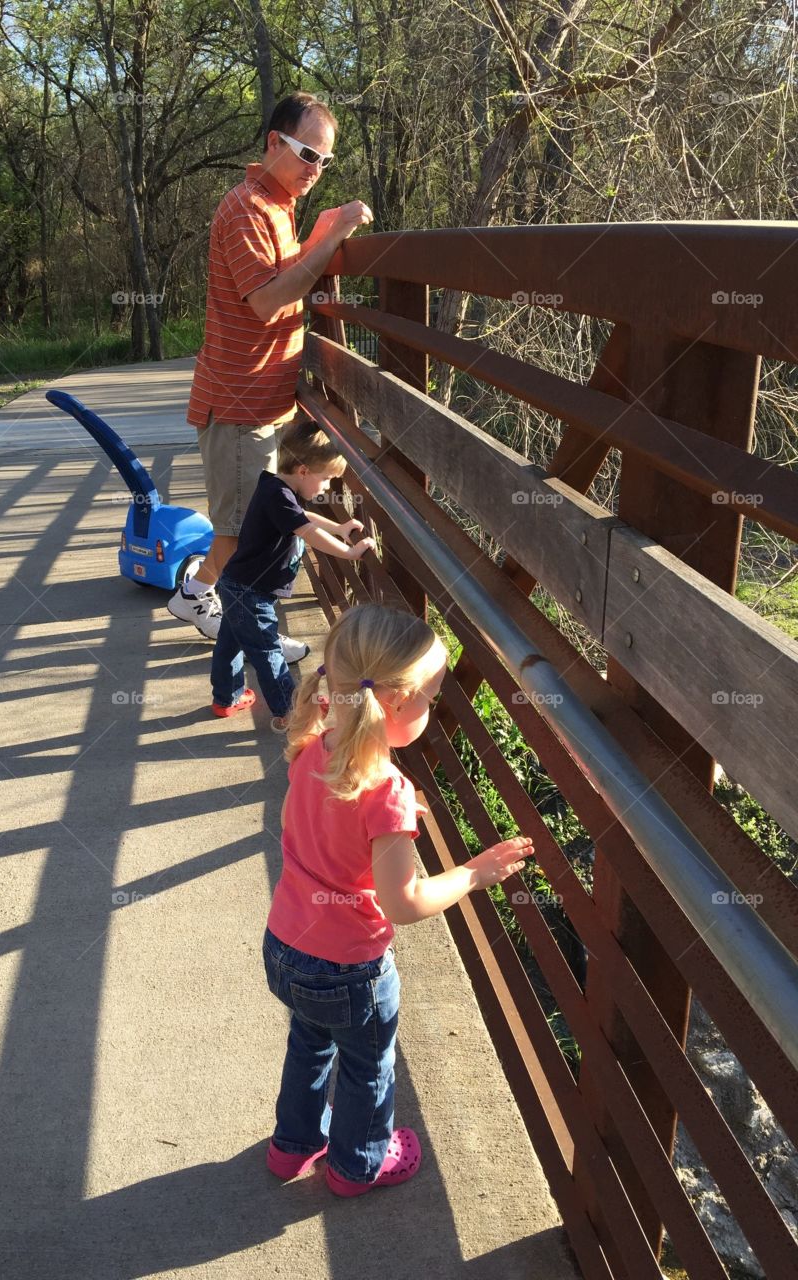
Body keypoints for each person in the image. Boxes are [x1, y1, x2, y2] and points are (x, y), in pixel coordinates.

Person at [262, 603, 534, 1196]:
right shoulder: (386, 790)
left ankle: (292, 1147)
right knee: (366, 1066)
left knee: (308, 1046)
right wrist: (472, 873)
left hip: (286, 946)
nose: (433, 710)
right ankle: (357, 1166)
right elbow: (404, 904)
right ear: (396, 705)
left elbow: (312, 825)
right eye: (431, 698)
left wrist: (386, 826)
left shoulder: (316, 745)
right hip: (349, 969)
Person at [168, 89, 373, 658]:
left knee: (246, 527)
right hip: (238, 407)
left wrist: (320, 230)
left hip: (262, 400)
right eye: (307, 154)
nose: (316, 170)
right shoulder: (245, 208)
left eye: (324, 161)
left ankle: (197, 591)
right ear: (273, 144)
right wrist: (330, 237)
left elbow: (285, 280)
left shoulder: (277, 207)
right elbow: (266, 301)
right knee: (242, 536)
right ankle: (244, 626)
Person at [210, 418, 373, 730]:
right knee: (267, 651)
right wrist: (349, 552)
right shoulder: (279, 496)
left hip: (238, 584)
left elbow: (303, 516)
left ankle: (226, 698)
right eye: (325, 479)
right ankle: (294, 713)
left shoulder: (277, 487)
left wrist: (339, 528)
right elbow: (307, 531)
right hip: (251, 593)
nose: (326, 487)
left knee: (230, 643)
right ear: (303, 471)